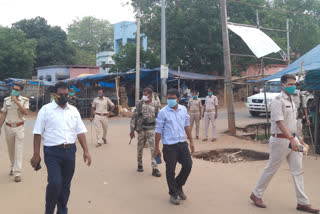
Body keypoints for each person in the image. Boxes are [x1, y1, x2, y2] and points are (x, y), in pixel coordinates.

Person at [250, 74, 319, 213]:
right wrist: (291, 139)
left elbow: (292, 123)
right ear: (282, 85)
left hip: (293, 139)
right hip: (280, 140)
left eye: (294, 84)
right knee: (271, 169)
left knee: (298, 171)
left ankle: (302, 202)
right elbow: (280, 123)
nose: (293, 86)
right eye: (290, 84)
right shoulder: (277, 101)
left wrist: (297, 138)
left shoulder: (293, 100)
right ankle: (256, 194)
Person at [31, 82, 91, 214]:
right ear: (54, 94)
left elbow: (80, 131)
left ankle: (62, 210)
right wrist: (36, 154)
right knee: (55, 183)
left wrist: (86, 151)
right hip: (52, 152)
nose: (64, 97)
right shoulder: (45, 110)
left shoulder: (73, 111)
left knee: (65, 185)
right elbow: (37, 133)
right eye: (60, 94)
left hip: (70, 152)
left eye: (66, 94)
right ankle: (49, 211)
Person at [154, 89, 195, 205]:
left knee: (188, 165)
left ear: (178, 99)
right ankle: (173, 193)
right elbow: (158, 130)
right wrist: (157, 148)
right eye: (169, 98)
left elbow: (187, 126)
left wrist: (191, 141)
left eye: (172, 98)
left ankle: (178, 185)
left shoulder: (183, 110)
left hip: (182, 143)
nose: (170, 100)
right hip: (169, 146)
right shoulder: (163, 112)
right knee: (170, 170)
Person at [0, 83, 29, 182]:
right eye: (13, 88)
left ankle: (17, 173)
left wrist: (16, 101)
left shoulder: (25, 100)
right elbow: (3, 114)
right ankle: (12, 166)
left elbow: (25, 112)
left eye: (16, 89)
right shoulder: (6, 100)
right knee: (11, 150)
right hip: (8, 128)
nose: (14, 90)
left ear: (20, 91)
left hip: (19, 127)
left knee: (18, 150)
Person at [130, 87, 161, 177]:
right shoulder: (139, 103)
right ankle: (139, 164)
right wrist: (132, 130)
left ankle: (155, 168)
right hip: (141, 129)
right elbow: (134, 116)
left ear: (151, 95)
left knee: (153, 148)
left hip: (151, 128)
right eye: (143, 94)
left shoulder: (155, 104)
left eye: (145, 94)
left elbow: (158, 117)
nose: (144, 96)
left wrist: (159, 129)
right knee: (140, 147)